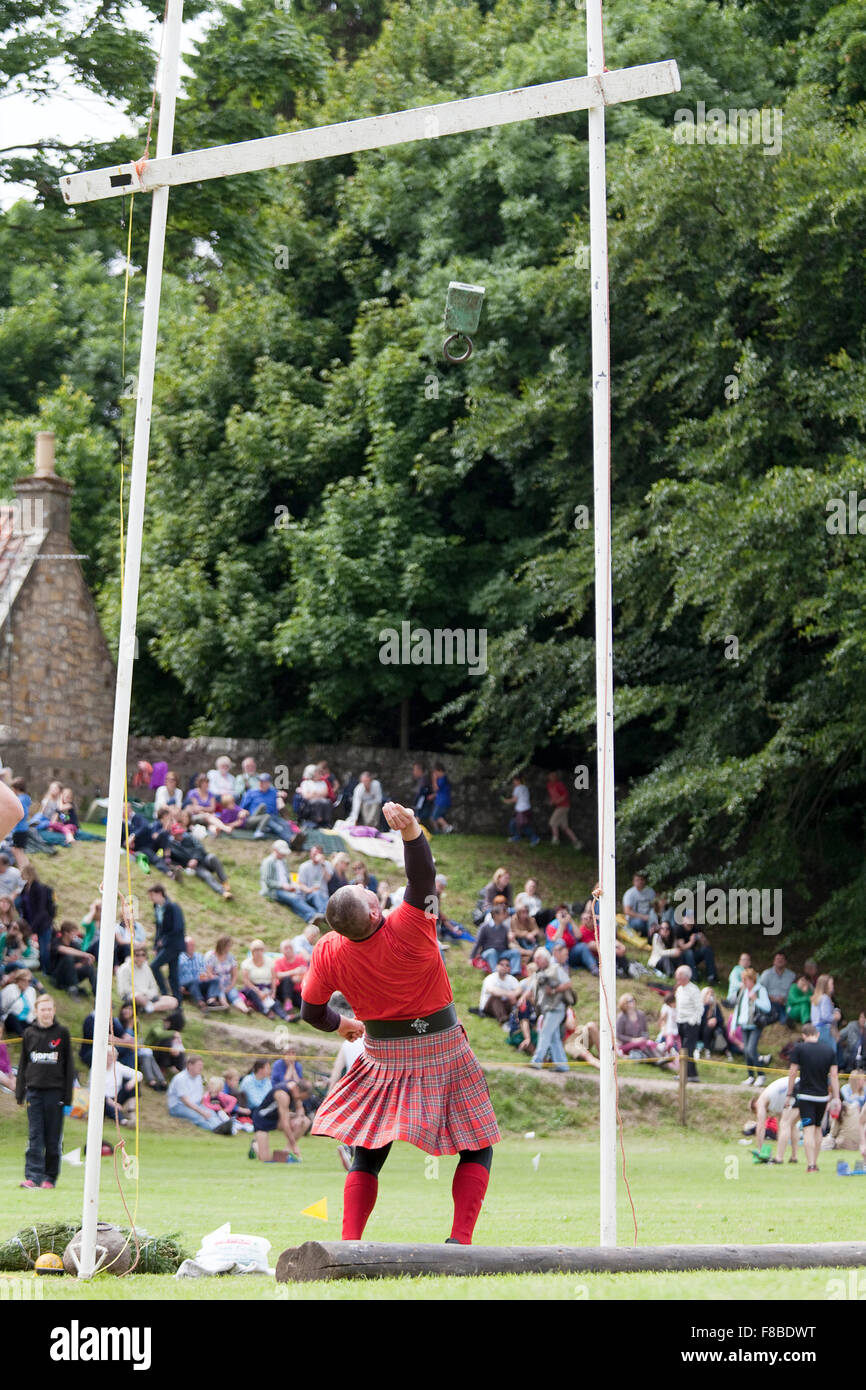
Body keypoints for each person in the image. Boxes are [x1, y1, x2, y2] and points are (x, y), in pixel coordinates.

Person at [300, 800, 499, 1244]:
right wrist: (411, 831)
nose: (377, 896)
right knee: (478, 1144)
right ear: (374, 914)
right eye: (372, 897)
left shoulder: (329, 950)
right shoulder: (409, 925)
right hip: (441, 1046)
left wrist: (343, 1025)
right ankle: (459, 1241)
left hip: (382, 1055)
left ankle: (350, 1244)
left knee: (368, 1152)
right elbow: (422, 879)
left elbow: (310, 1012)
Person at [15, 992, 73, 1188]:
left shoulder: (62, 1033)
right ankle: (33, 1176)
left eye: (49, 1009)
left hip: (55, 1092)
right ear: (36, 1011)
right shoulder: (29, 1033)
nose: (46, 1013)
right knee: (35, 1136)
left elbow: (69, 1066)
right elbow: (24, 1063)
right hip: (34, 1091)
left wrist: (68, 1096)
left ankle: (50, 1177)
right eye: (43, 1010)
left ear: (54, 1011)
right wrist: (20, 1091)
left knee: (53, 1137)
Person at [784, 1022, 841, 1173]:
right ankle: (815, 1161)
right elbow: (834, 1075)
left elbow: (793, 1072)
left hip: (806, 1096)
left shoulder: (799, 1049)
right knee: (817, 1130)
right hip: (823, 1096)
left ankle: (811, 1165)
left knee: (808, 1130)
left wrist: (789, 1093)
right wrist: (836, 1097)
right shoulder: (829, 1050)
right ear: (818, 1034)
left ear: (803, 1036)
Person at [528, 946, 572, 1073]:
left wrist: (553, 990)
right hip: (546, 1009)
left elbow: (568, 983)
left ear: (545, 958)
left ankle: (537, 1061)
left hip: (556, 1007)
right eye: (535, 959)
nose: (536, 961)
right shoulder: (539, 973)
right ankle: (562, 1065)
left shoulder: (555, 968)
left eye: (538, 959)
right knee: (554, 1037)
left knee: (545, 1033)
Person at [167, 1055, 232, 1133]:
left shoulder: (199, 1077)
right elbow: (185, 1101)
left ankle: (223, 1127)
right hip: (178, 1106)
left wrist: (205, 1107)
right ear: (190, 1065)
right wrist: (201, 1112)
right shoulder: (180, 1078)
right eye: (199, 1065)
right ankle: (216, 1129)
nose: (201, 1068)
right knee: (197, 1116)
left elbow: (200, 1098)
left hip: (195, 1104)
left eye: (202, 1065)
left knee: (211, 1112)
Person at [260, 840, 320, 923]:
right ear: (275, 850)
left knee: (298, 895)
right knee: (294, 898)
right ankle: (313, 914)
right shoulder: (269, 862)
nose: (284, 855)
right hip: (273, 890)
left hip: (285, 887)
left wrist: (291, 885)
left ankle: (309, 918)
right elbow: (268, 881)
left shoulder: (283, 861)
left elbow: (286, 877)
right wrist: (282, 886)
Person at [732, 967, 772, 1086]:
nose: (744, 982)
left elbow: (767, 1007)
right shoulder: (743, 991)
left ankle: (761, 1075)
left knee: (751, 1049)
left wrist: (756, 1000)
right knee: (746, 1051)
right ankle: (750, 1076)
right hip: (744, 1024)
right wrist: (734, 1026)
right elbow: (737, 1008)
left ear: (752, 979)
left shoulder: (760, 990)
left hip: (755, 1024)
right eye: (743, 980)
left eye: (746, 980)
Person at [148, 884, 186, 1003]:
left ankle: (165, 992)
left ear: (160, 894)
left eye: (153, 895)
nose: (151, 898)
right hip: (166, 944)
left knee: (154, 966)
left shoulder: (172, 907)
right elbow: (159, 928)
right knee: (173, 974)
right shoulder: (157, 907)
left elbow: (178, 928)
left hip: (174, 944)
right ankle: (176, 1000)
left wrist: (163, 941)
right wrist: (156, 945)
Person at [750, 1075, 799, 1164]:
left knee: (786, 1124)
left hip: (795, 1087)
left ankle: (780, 1158)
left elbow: (760, 1126)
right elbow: (779, 1123)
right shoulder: (775, 1099)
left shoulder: (760, 1102)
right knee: (791, 1124)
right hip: (801, 1086)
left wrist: (759, 1150)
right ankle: (794, 1157)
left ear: (755, 1106)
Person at [116, 945, 178, 1014]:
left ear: (145, 956)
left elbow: (154, 986)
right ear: (132, 955)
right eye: (137, 955)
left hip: (149, 996)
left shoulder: (147, 968)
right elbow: (125, 989)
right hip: (132, 996)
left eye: (143, 955)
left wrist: (149, 995)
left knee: (173, 1001)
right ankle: (148, 1007)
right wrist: (143, 993)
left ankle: (148, 1008)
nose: (140, 957)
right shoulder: (125, 968)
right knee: (137, 996)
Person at [18, 864, 56, 974]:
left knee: (44, 947)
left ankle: (47, 970)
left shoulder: (38, 888)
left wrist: (32, 926)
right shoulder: (26, 888)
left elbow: (41, 910)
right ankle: (41, 966)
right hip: (31, 921)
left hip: (42, 923)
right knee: (40, 946)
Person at [471, 899, 522, 976]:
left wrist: (510, 940)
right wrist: (471, 957)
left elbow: (506, 945)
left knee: (515, 952)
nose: (505, 915)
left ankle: (514, 974)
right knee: (492, 952)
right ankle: (496, 973)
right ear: (495, 915)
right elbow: (478, 943)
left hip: (501, 952)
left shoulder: (504, 928)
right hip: (488, 952)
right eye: (503, 913)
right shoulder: (484, 927)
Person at [204, 935, 250, 1013]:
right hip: (216, 983)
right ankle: (225, 1005)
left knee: (234, 995)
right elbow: (209, 972)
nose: (229, 947)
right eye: (228, 945)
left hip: (228, 983)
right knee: (220, 990)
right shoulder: (212, 957)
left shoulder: (231, 958)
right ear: (222, 945)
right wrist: (217, 982)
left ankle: (245, 1009)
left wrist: (230, 986)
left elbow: (235, 975)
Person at [49, 920, 97, 996]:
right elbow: (64, 949)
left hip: (71, 974)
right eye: (73, 932)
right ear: (66, 933)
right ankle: (73, 990)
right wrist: (85, 954)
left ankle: (98, 994)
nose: (75, 935)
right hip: (58, 976)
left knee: (90, 967)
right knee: (68, 957)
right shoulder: (56, 942)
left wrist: (86, 962)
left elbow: (78, 964)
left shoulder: (75, 945)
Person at [240, 939, 285, 1019]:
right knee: (253, 994)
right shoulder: (246, 963)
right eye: (256, 950)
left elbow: (273, 978)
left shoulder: (270, 962)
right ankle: (265, 1011)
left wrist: (273, 992)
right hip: (253, 988)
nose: (258, 952)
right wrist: (258, 991)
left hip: (267, 988)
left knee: (274, 1001)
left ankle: (286, 1016)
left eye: (260, 950)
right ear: (252, 951)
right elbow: (246, 980)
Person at [674, 964, 703, 1082]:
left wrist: (692, 1021)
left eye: (679, 975)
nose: (676, 977)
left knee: (687, 1049)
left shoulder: (693, 989)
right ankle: (692, 1074)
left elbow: (699, 1008)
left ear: (685, 977)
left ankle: (685, 1074)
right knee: (683, 1049)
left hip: (691, 1024)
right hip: (680, 1022)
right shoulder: (679, 989)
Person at [102, 1046, 142, 1126]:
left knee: (134, 1084)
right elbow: (93, 1090)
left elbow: (139, 1074)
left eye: (114, 1056)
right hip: (103, 1099)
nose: (111, 1058)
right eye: (109, 1056)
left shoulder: (117, 1066)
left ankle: (131, 1111)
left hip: (116, 1097)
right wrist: (112, 1103)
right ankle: (123, 1121)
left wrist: (131, 1082)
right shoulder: (97, 1068)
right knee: (105, 1102)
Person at [178, 935, 220, 1010]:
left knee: (216, 979)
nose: (192, 947)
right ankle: (200, 1002)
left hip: (200, 980)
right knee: (194, 981)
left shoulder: (199, 956)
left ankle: (211, 1000)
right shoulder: (179, 958)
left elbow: (204, 970)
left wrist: (205, 976)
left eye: (193, 945)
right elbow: (175, 974)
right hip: (186, 983)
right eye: (190, 945)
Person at [477, 957, 522, 1028]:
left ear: (509, 968)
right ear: (497, 966)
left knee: (520, 996)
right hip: (489, 1007)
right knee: (496, 997)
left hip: (505, 1005)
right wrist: (510, 994)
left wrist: (514, 995)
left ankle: (520, 1018)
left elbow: (519, 989)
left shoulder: (511, 979)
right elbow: (492, 990)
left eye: (507, 965)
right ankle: (504, 1022)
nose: (504, 967)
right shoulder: (490, 978)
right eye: (502, 964)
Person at [272, 938, 308, 1019]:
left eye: (290, 947)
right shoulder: (278, 961)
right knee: (287, 979)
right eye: (286, 948)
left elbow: (306, 973)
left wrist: (300, 978)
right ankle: (288, 1003)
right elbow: (278, 975)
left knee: (304, 1003)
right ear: (281, 950)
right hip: (281, 991)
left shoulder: (300, 959)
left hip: (297, 991)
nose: (288, 950)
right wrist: (294, 972)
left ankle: (302, 1014)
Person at [759, 952, 796, 1025]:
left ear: (785, 962)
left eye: (782, 959)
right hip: (770, 1002)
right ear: (774, 961)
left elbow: (793, 991)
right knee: (777, 1006)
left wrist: (785, 999)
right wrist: (771, 998)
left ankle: (783, 1019)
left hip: (786, 1002)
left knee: (783, 1007)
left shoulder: (791, 975)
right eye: (777, 959)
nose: (780, 961)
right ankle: (785, 1019)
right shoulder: (766, 974)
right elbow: (760, 990)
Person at [0, 967, 37, 1037]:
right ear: (18, 980)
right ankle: (23, 1035)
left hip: (26, 1021)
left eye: (29, 981)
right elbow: (2, 1007)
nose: (27, 983)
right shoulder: (10, 989)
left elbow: (33, 1008)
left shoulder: (31, 990)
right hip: (10, 1021)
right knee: (12, 1016)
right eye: (24, 980)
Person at [296, 845, 333, 915]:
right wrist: (309, 890)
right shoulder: (304, 866)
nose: (314, 855)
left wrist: (323, 864)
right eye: (313, 853)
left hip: (324, 895)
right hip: (310, 895)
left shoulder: (327, 864)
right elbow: (301, 884)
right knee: (316, 894)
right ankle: (324, 914)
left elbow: (328, 878)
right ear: (310, 854)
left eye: (317, 854)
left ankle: (326, 915)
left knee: (330, 903)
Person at [503, 773, 539, 845]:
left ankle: (534, 838)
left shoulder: (518, 788)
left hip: (522, 810)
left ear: (518, 781)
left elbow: (515, 800)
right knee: (513, 823)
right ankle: (516, 837)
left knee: (523, 826)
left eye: (514, 781)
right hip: (524, 809)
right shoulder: (525, 787)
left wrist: (506, 801)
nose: (513, 782)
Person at [545, 771, 578, 847]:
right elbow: (553, 796)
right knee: (565, 827)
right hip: (559, 806)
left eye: (554, 775)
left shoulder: (559, 784)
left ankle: (555, 840)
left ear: (556, 777)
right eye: (550, 775)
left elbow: (565, 795)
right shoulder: (549, 785)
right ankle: (576, 842)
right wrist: (552, 801)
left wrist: (558, 801)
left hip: (563, 806)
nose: (552, 777)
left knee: (552, 822)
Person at [622, 871, 656, 939]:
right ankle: (647, 935)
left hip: (649, 917)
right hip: (634, 919)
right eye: (637, 880)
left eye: (641, 880)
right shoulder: (630, 893)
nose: (640, 882)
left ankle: (652, 935)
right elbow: (627, 911)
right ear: (633, 882)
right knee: (639, 923)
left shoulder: (650, 891)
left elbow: (654, 906)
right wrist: (643, 917)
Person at [810, 974, 839, 1046]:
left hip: (816, 1029)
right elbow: (825, 1016)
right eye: (831, 984)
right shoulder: (825, 998)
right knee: (830, 1052)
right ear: (825, 986)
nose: (833, 986)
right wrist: (836, 1016)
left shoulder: (816, 997)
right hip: (824, 1029)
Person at [9, 777, 31, 868]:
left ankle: (25, 871)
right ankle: (26, 870)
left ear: (16, 788)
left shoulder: (20, 799)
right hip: (23, 829)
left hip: (19, 830)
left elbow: (22, 814)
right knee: (17, 851)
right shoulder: (26, 798)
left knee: (18, 852)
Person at [430, 763, 453, 834]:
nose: (435, 774)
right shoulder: (442, 779)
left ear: (440, 770)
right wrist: (433, 795)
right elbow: (439, 791)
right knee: (438, 816)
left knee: (434, 816)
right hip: (441, 800)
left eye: (436, 772)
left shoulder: (442, 779)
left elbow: (436, 788)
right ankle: (441, 830)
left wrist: (434, 779)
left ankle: (447, 827)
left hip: (442, 801)